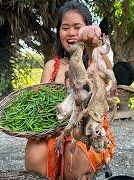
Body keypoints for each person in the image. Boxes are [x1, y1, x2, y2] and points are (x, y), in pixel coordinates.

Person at [25, 1, 115, 179]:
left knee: (73, 156)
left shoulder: (96, 58)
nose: (72, 33)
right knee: (34, 155)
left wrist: (92, 45)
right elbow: (41, 106)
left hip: (89, 131)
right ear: (59, 32)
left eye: (77, 27)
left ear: (86, 28)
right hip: (54, 129)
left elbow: (104, 80)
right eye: (65, 27)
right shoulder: (52, 66)